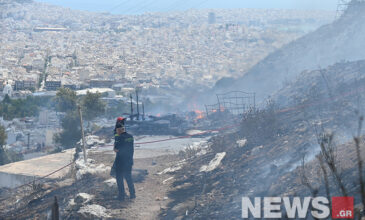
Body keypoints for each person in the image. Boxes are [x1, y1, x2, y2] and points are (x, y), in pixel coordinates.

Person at [114, 123, 136, 201]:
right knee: (128, 177)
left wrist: (116, 140)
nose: (116, 132)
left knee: (119, 179)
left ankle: (121, 196)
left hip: (120, 162)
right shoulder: (130, 137)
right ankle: (132, 194)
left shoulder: (119, 138)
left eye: (117, 130)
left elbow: (116, 149)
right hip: (129, 160)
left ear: (119, 130)